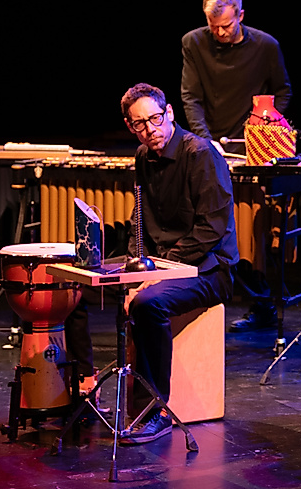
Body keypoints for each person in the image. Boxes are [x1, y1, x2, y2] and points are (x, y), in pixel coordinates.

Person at [66, 83, 238, 445]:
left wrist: (155, 275)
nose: (150, 130)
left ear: (170, 112)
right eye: (140, 124)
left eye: (155, 119)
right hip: (161, 263)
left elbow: (211, 229)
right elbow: (139, 221)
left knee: (148, 303)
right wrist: (133, 267)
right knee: (77, 281)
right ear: (130, 126)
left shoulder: (201, 154)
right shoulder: (143, 156)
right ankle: (84, 381)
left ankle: (153, 410)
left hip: (208, 268)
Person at [180, 0, 292, 331]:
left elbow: (283, 90)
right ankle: (245, 300)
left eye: (226, 26)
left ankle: (265, 301)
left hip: (253, 149)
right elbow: (190, 96)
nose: (219, 33)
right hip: (211, 146)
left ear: (241, 16)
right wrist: (205, 141)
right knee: (212, 228)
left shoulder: (266, 45)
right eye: (213, 26)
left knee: (252, 233)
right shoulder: (193, 43)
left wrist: (263, 127)